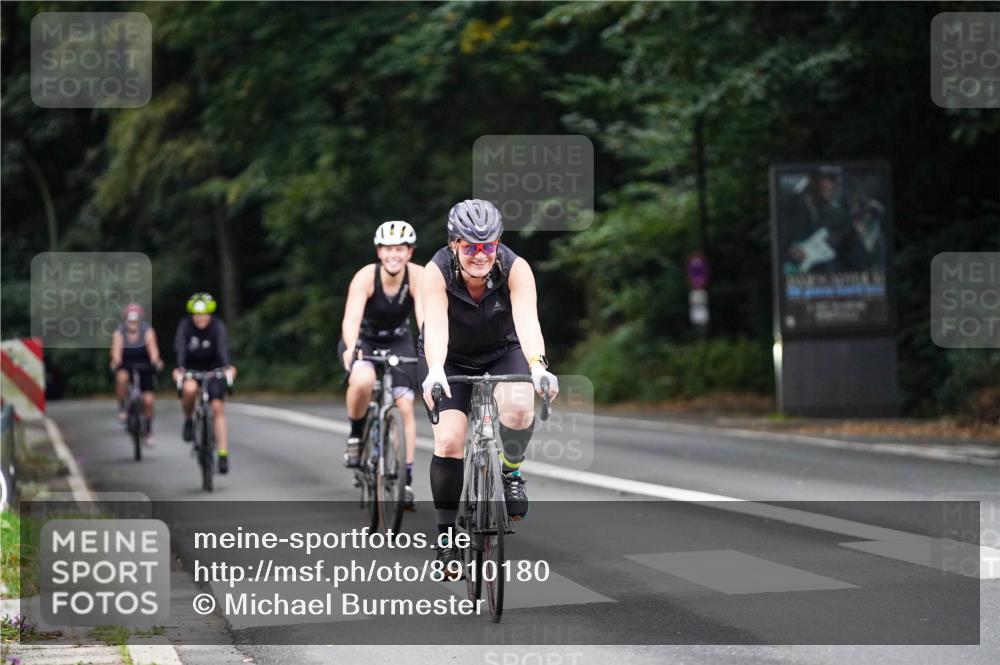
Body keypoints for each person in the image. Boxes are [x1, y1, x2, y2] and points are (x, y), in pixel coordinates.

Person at [418, 199, 558, 572]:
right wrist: (434, 369)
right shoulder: (436, 271)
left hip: (502, 350)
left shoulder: (516, 268)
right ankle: (446, 538)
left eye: (488, 246)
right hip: (447, 356)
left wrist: (538, 366)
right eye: (470, 247)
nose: (480, 255)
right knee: (449, 441)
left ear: (498, 243)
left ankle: (510, 471)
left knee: (519, 406)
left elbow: (527, 321)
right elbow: (435, 324)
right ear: (454, 245)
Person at [339, 221, 424, 507]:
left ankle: (406, 480)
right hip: (364, 340)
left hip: (399, 341)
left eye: (400, 249)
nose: (393, 255)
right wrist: (352, 349)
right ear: (379, 251)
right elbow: (351, 319)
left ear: (409, 252)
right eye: (388, 249)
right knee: (362, 381)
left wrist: (429, 350)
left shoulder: (418, 276)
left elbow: (424, 319)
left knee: (405, 405)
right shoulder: (365, 277)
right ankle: (355, 433)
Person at [172, 293, 237, 474]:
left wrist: (227, 368)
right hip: (192, 370)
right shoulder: (185, 327)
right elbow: (180, 349)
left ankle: (223, 453)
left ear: (210, 314)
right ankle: (188, 420)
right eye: (197, 314)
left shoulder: (217, 327)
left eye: (204, 314)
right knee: (190, 389)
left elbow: (223, 349)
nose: (200, 318)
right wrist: (180, 368)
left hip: (213, 369)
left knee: (217, 408)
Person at [110, 303, 164, 445]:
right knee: (122, 377)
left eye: (135, 320)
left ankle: (148, 428)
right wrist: (116, 361)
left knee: (148, 400)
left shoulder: (147, 331)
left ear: (140, 320)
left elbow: (152, 348)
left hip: (145, 367)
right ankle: (122, 407)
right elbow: (116, 351)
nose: (132, 324)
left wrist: (156, 361)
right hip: (126, 365)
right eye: (130, 320)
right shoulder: (119, 332)